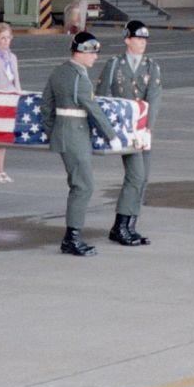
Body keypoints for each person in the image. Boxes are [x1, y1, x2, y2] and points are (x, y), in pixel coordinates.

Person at [40, 31, 122, 256]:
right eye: (93, 53)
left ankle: (72, 236)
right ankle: (72, 238)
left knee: (79, 184)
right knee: (83, 186)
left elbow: (46, 106)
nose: (96, 58)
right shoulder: (79, 78)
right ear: (82, 53)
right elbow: (93, 110)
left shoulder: (59, 71)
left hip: (65, 134)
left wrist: (54, 131)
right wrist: (111, 136)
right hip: (76, 136)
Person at [97, 19, 160, 246]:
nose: (142, 43)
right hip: (123, 130)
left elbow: (153, 99)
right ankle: (120, 226)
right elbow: (102, 96)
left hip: (142, 130)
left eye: (145, 39)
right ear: (127, 40)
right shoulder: (114, 64)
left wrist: (147, 129)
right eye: (138, 38)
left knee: (143, 178)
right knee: (135, 176)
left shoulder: (151, 67)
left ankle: (129, 225)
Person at [0, 21, 21, 183]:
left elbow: (16, 80)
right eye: (3, 38)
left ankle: (2, 168)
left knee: (4, 136)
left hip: (10, 98)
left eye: (8, 38)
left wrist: (18, 95)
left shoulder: (12, 57)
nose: (6, 41)